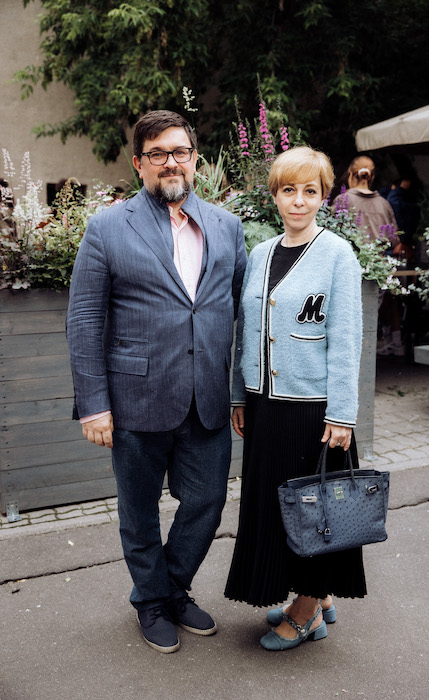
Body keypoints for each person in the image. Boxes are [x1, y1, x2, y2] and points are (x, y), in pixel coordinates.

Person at [66, 110, 247, 654]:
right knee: (139, 509)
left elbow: (243, 313)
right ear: (138, 163)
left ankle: (170, 587)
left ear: (195, 158)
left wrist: (240, 390)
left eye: (180, 151)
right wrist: (93, 404)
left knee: (207, 501)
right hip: (135, 397)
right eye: (158, 153)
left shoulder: (226, 226)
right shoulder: (106, 227)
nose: (171, 162)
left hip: (207, 396)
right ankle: (151, 601)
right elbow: (84, 319)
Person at [224, 146, 364, 651]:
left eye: (310, 191)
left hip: (313, 410)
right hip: (265, 405)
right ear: (275, 196)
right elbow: (246, 331)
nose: (299, 201)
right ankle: (317, 599)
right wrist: (240, 395)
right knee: (276, 506)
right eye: (289, 190)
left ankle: (306, 612)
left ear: (324, 197)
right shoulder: (260, 253)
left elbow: (346, 339)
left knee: (312, 510)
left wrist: (342, 414)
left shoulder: (338, 254)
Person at [335, 156, 404, 356]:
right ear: (371, 176)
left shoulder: (343, 200)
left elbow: (332, 234)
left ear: (351, 174)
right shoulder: (384, 204)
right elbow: (394, 241)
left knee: (347, 324)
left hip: (348, 271)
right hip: (377, 272)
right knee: (368, 321)